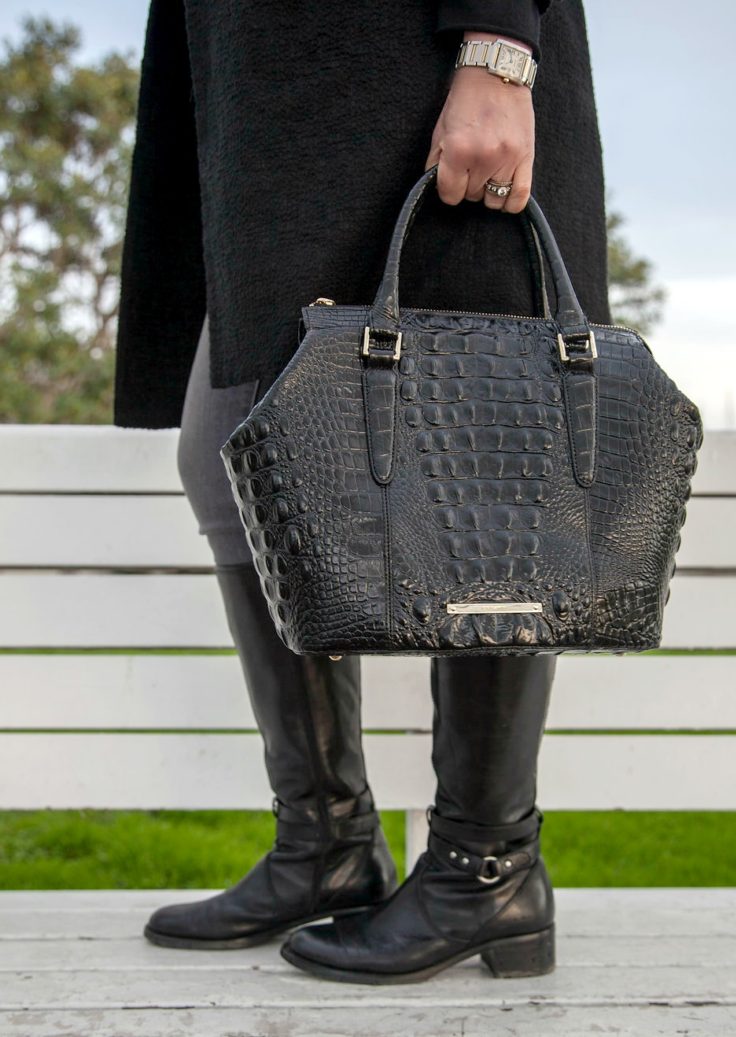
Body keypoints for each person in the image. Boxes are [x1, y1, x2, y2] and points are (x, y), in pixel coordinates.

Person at [113, 0, 611, 984]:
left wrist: (497, 49)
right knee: (231, 449)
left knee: (484, 462)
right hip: (259, 113)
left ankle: (485, 866)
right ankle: (326, 839)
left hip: (407, 82)